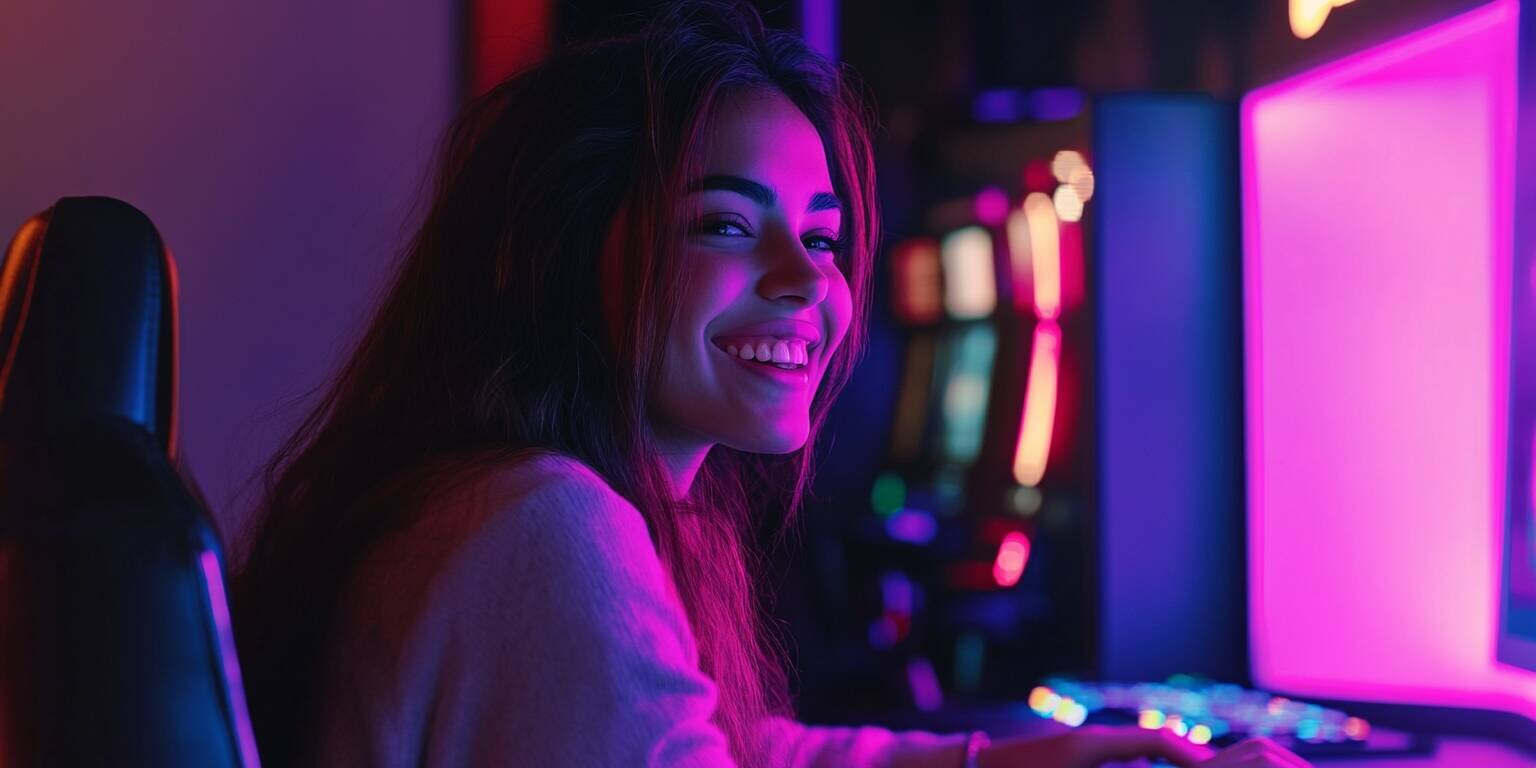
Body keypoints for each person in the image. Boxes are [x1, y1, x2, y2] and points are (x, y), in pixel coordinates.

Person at [232, 3, 1312, 767]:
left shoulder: (517, 498)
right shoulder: (545, 529)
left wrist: (1030, 762)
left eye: (824, 235)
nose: (809, 283)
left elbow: (749, 752)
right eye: (727, 226)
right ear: (566, 248)